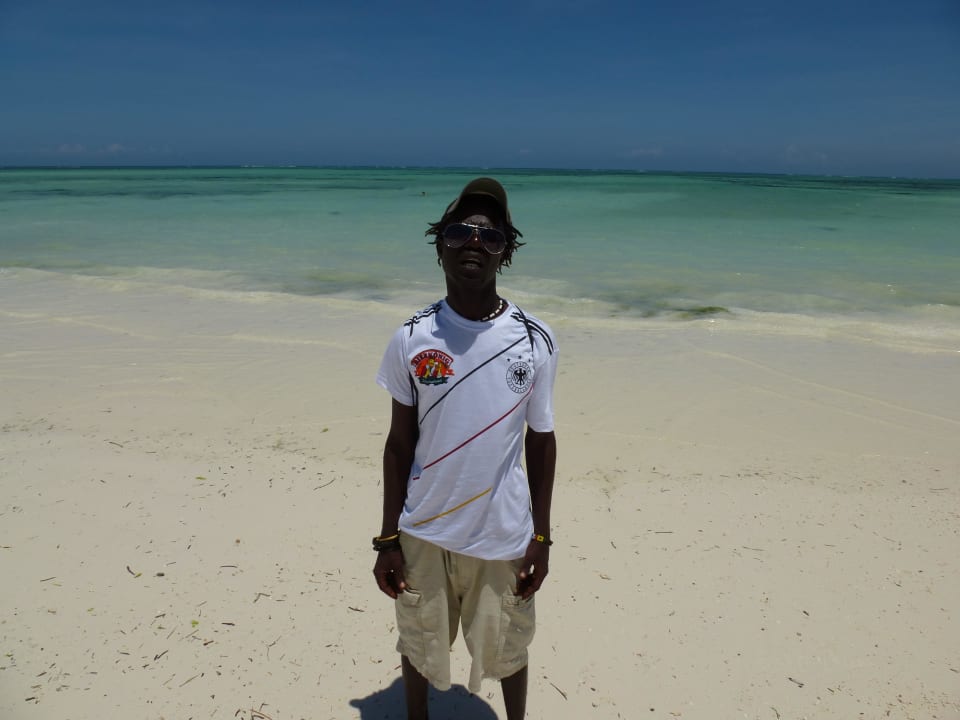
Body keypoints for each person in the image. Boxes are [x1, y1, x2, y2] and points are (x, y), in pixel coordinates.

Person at [373, 177, 559, 720]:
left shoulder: (534, 339)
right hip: (423, 530)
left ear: (507, 250)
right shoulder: (412, 337)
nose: (474, 243)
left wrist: (541, 536)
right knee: (419, 644)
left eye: (490, 235)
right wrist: (387, 538)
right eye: (459, 231)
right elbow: (398, 444)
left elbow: (541, 441)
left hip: (501, 535)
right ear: (440, 246)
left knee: (509, 647)